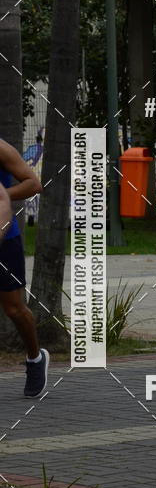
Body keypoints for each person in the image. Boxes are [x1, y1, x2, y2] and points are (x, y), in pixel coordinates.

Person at [0, 138, 49, 397]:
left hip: (4, 239)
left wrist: (2, 194)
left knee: (14, 308)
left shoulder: (1, 148)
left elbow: (34, 184)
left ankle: (35, 357)